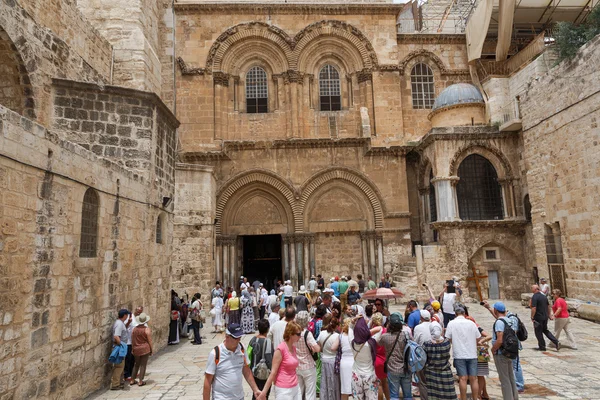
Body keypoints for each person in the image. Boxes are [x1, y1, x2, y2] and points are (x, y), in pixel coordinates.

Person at [203, 323, 261, 400]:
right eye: (236, 338)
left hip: (239, 397)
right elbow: (207, 381)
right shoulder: (216, 353)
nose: (238, 340)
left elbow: (246, 370)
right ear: (227, 337)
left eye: (239, 337)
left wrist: (255, 389)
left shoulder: (241, 348)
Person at [482, 300, 525, 394]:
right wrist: (488, 308)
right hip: (505, 348)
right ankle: (514, 386)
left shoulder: (512, 318)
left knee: (515, 366)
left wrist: (494, 348)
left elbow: (512, 333)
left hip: (510, 347)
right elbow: (498, 318)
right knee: (510, 370)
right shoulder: (503, 319)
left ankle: (519, 385)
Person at [259, 321, 302, 399]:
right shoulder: (280, 349)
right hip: (283, 389)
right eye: (298, 334)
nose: (300, 336)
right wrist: (264, 392)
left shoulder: (294, 348)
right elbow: (273, 372)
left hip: (295, 386)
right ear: (291, 334)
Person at [445, 305, 480, 400]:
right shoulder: (471, 323)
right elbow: (478, 337)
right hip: (472, 354)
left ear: (455, 314)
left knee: (462, 378)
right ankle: (475, 398)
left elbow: (448, 338)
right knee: (474, 378)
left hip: (459, 354)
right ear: (464, 313)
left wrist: (455, 342)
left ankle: (463, 398)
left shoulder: (451, 323)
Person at [376, 312, 412, 400]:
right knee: (407, 395)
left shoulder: (385, 337)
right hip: (406, 368)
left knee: (394, 396)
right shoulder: (405, 335)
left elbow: (377, 342)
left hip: (392, 369)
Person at [490, 302, 519, 400]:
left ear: (496, 310)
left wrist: (493, 349)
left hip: (501, 353)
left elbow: (500, 339)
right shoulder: (509, 321)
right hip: (509, 352)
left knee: (504, 379)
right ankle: (514, 397)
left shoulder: (499, 322)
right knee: (511, 378)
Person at [422, 322, 457, 400]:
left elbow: (423, 357)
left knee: (434, 395)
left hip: (431, 373)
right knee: (448, 394)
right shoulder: (446, 343)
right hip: (445, 372)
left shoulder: (426, 344)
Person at [350, 317, 378, 400]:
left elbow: (350, 329)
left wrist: (353, 321)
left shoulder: (351, 342)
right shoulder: (370, 343)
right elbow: (380, 329)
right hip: (369, 375)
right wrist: (367, 331)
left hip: (356, 375)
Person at [296, 311, 321, 400]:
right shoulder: (307, 334)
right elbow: (317, 349)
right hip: (308, 366)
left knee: (299, 392)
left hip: (297, 365)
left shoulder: (293, 333)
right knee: (310, 392)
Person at [249, 319, 274, 400]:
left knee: (255, 393)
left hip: (253, 372)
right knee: (264, 395)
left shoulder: (252, 340)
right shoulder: (268, 342)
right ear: (268, 329)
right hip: (264, 374)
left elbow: (248, 355)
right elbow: (269, 359)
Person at [531, 284, 560, 351]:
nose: (531, 289)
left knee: (538, 332)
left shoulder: (535, 297)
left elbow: (534, 308)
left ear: (535, 289)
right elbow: (548, 306)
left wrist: (532, 316)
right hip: (545, 317)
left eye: (532, 288)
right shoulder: (544, 297)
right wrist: (549, 315)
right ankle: (556, 341)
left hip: (538, 317)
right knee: (545, 330)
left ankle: (542, 346)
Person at [318, 317, 341, 400]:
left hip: (324, 360)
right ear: (337, 326)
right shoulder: (338, 336)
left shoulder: (322, 333)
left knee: (325, 382)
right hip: (333, 361)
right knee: (334, 383)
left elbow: (319, 347)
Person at [370, 312, 390, 400]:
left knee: (379, 384)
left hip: (376, 358)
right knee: (385, 383)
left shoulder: (374, 330)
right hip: (384, 358)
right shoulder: (385, 330)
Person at [130, 313, 153, 386]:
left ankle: (132, 379)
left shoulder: (134, 329)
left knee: (136, 364)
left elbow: (132, 340)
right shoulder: (147, 329)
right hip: (145, 349)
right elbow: (149, 340)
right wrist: (151, 349)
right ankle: (140, 381)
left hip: (136, 348)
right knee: (143, 365)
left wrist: (133, 348)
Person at [111, 309, 130, 390]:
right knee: (119, 367)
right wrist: (122, 346)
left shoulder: (120, 323)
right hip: (119, 348)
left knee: (121, 366)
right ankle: (115, 384)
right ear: (125, 315)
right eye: (127, 315)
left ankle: (120, 382)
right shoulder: (119, 324)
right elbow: (116, 336)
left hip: (120, 347)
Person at [124, 306, 142, 381]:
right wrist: (128, 322)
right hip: (127, 342)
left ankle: (131, 372)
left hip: (133, 341)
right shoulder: (127, 319)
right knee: (128, 358)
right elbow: (125, 328)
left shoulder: (133, 317)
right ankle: (127, 374)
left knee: (133, 358)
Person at [340, 319, 355, 400]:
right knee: (354, 388)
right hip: (353, 362)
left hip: (344, 363)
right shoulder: (355, 337)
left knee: (344, 389)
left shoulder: (341, 336)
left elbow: (333, 348)